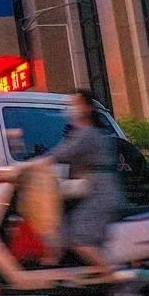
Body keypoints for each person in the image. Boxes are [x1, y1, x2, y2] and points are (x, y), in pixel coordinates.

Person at [47, 90, 124, 275]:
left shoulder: (87, 134)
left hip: (100, 193)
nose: (72, 109)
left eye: (77, 104)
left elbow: (59, 155)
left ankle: (112, 276)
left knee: (79, 239)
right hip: (92, 191)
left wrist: (29, 166)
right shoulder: (80, 133)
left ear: (88, 108)